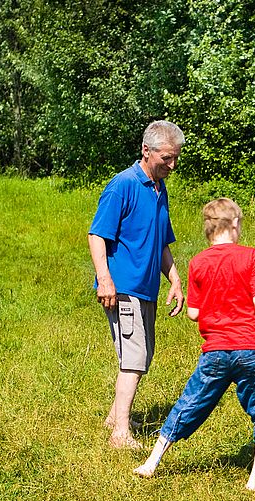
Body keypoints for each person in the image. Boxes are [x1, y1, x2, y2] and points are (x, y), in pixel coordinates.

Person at [133, 198, 255, 491]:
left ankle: (151, 462)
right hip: (250, 347)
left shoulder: (198, 262)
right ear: (235, 224)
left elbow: (194, 312)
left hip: (215, 350)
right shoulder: (250, 256)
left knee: (190, 403)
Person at [88, 120, 186, 449]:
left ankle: (114, 417)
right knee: (134, 358)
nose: (172, 165)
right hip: (123, 286)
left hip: (148, 288)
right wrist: (105, 280)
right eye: (166, 158)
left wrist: (174, 279)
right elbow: (97, 235)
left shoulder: (160, 190)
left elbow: (161, 243)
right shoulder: (122, 185)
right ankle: (120, 434)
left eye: (175, 158)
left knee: (143, 358)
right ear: (146, 151)